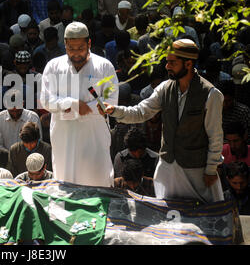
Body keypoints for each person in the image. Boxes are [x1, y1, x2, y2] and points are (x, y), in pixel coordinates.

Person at [100, 39, 224, 203]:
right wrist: (115, 110)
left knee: (202, 216)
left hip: (197, 169)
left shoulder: (211, 94)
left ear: (188, 64)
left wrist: (210, 169)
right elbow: (141, 111)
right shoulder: (165, 88)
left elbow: (215, 136)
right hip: (168, 167)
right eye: (167, 62)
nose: (167, 66)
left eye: (172, 62)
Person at [40, 21, 119, 187]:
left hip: (94, 138)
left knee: (98, 186)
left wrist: (85, 108)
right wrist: (73, 104)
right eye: (71, 49)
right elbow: (46, 100)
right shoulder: (54, 66)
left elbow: (111, 102)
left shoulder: (104, 67)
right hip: (64, 139)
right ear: (65, 44)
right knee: (66, 188)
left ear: (89, 43)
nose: (76, 54)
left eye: (80, 48)